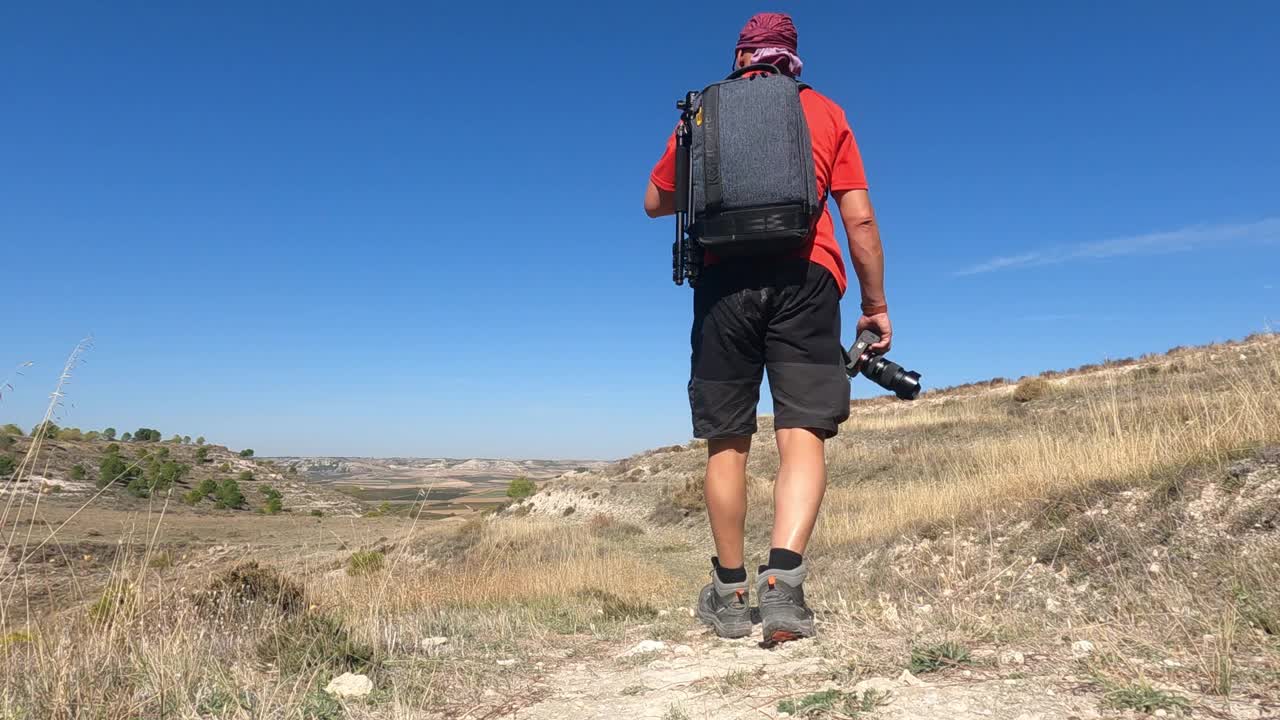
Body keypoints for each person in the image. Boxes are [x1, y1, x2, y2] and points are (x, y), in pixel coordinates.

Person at [643, 12, 891, 644]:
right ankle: (783, 586)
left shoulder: (702, 114)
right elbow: (858, 220)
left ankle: (729, 594)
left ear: (741, 55)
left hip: (724, 282)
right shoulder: (827, 112)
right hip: (807, 278)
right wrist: (875, 304)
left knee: (727, 439)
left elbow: (654, 201)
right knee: (801, 432)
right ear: (793, 59)